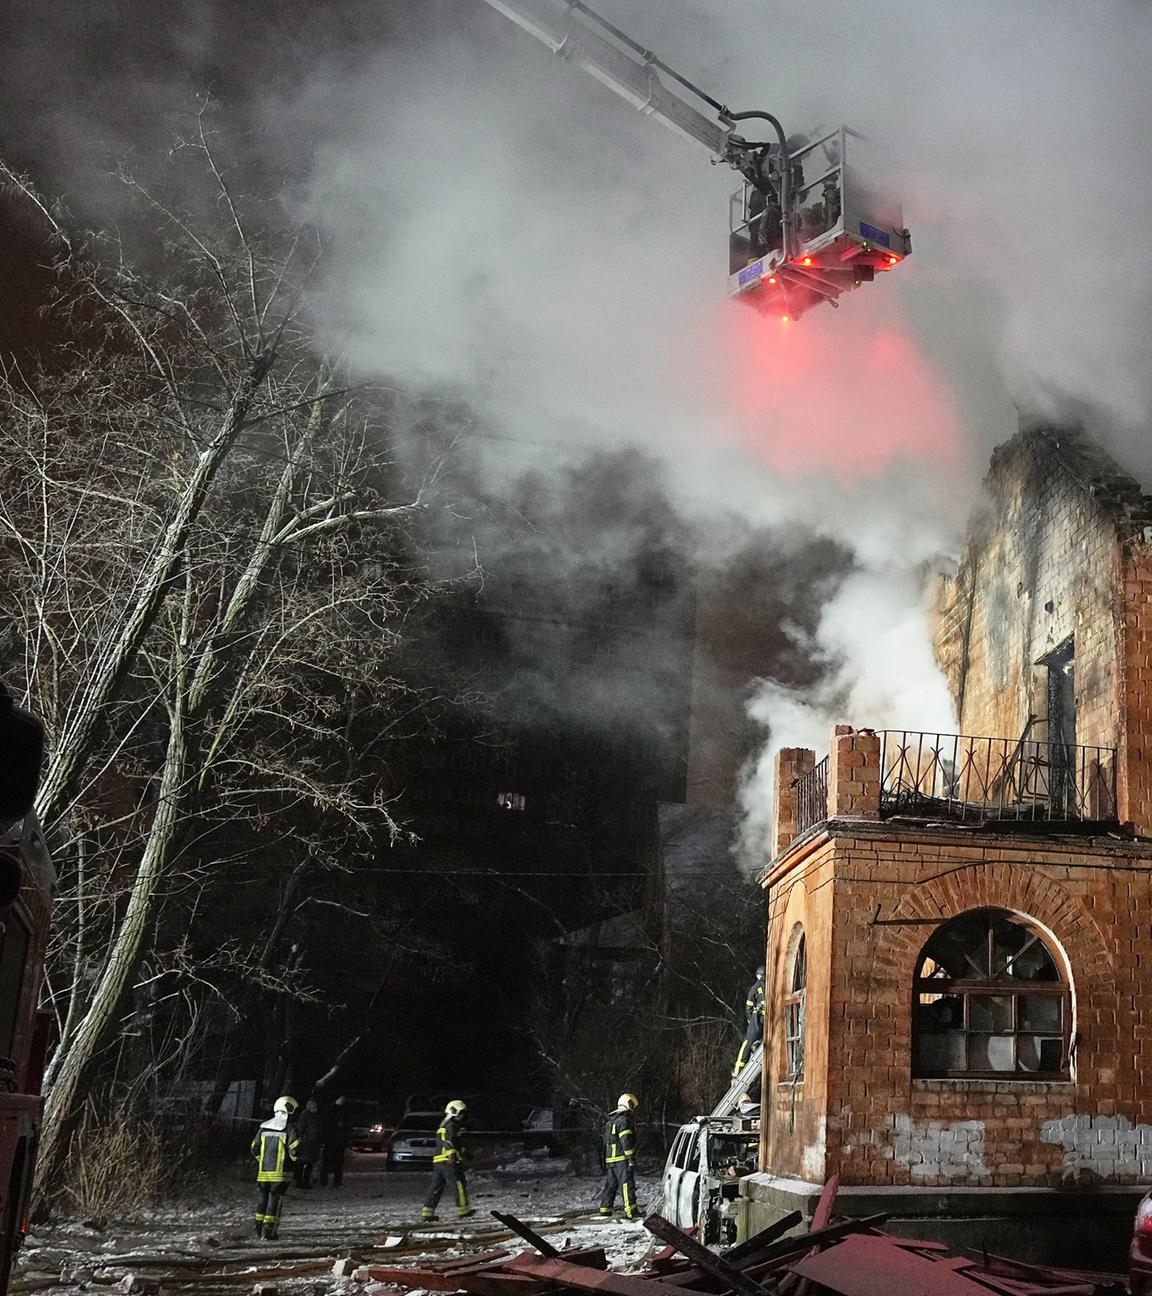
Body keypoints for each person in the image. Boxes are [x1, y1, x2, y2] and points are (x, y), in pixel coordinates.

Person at [251, 1095, 300, 1240]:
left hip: (264, 1172)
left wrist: (262, 1161)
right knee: (275, 1200)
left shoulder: (263, 1127)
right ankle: (269, 1230)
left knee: (262, 1200)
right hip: (281, 1174)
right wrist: (295, 1163)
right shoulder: (289, 1128)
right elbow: (295, 1150)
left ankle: (258, 1229)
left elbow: (254, 1148)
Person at [422, 1099, 474, 1221]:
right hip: (448, 1162)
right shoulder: (451, 1125)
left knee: (436, 1188)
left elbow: (453, 1143)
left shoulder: (444, 1125)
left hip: (438, 1162)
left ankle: (427, 1213)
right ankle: (464, 1210)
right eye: (461, 1113)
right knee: (459, 1185)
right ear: (454, 1111)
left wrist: (465, 1153)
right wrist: (453, 1157)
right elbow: (449, 1142)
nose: (462, 1116)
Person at [598, 1092, 639, 1220]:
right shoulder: (624, 1121)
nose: (633, 1109)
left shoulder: (611, 1121)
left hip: (611, 1160)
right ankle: (631, 1211)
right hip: (622, 1159)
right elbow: (626, 1141)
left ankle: (605, 1209)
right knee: (627, 1184)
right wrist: (631, 1159)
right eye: (632, 1106)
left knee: (611, 1184)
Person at [732, 965, 766, 1077]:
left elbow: (749, 1007)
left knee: (748, 1042)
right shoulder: (771, 985)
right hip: (769, 1018)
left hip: (759, 1018)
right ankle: (756, 1046)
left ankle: (738, 1070)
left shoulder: (755, 987)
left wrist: (750, 1019)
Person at [319, 1095, 348, 1188]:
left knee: (338, 1163)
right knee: (327, 1162)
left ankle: (337, 1181)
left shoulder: (344, 1111)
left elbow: (348, 1125)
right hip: (331, 1140)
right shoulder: (330, 1110)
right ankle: (324, 1181)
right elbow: (325, 1125)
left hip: (339, 1141)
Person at [293, 1097, 323, 1188]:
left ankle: (305, 1182)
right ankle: (300, 1182)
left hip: (312, 1143)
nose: (315, 1109)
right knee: (302, 1163)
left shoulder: (315, 1116)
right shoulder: (305, 1116)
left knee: (309, 1163)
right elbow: (300, 1129)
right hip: (306, 1143)